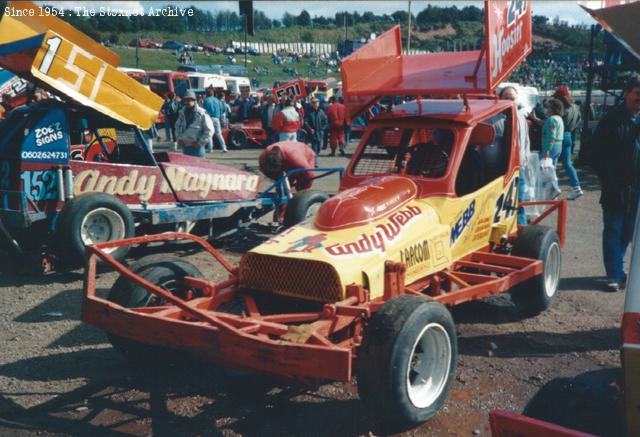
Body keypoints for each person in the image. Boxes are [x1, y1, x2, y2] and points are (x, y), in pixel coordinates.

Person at [589, 75, 640, 291]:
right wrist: (608, 179)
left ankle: (617, 267)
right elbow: (596, 154)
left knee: (628, 232)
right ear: (627, 93)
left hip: (636, 188)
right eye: (638, 93)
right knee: (613, 230)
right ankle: (613, 274)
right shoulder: (611, 119)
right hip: (615, 186)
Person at [500, 86, 532, 224]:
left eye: (511, 98)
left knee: (520, 201)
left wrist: (525, 160)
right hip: (501, 169)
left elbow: (526, 141)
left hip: (519, 167)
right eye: (505, 98)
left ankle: (521, 229)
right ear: (500, 99)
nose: (509, 101)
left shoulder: (521, 117)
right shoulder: (494, 118)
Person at [553, 86, 583, 200]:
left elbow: (554, 122)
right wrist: (571, 128)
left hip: (559, 136)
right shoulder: (576, 107)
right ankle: (576, 187)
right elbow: (579, 120)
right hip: (569, 135)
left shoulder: (562, 108)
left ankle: (553, 189)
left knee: (552, 163)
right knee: (567, 163)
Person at [537, 98, 564, 199]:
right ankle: (554, 189)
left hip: (551, 146)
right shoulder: (559, 118)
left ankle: (547, 190)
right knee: (552, 169)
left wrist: (547, 149)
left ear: (552, 109)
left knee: (544, 168)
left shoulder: (552, 119)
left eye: (548, 107)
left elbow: (551, 136)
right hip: (558, 145)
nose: (546, 109)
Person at [175, 90, 213, 158]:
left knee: (199, 168)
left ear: (194, 101)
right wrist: (179, 138)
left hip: (198, 149)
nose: (186, 102)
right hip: (185, 148)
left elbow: (210, 130)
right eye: (185, 100)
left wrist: (200, 143)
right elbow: (177, 126)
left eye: (189, 100)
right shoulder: (182, 113)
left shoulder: (202, 113)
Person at [203, 88, 228, 153]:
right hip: (217, 118)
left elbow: (204, 111)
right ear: (213, 93)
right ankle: (224, 148)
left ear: (206, 94)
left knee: (210, 133)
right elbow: (222, 109)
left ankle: (210, 149)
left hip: (209, 118)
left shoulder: (206, 100)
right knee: (219, 134)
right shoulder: (218, 100)